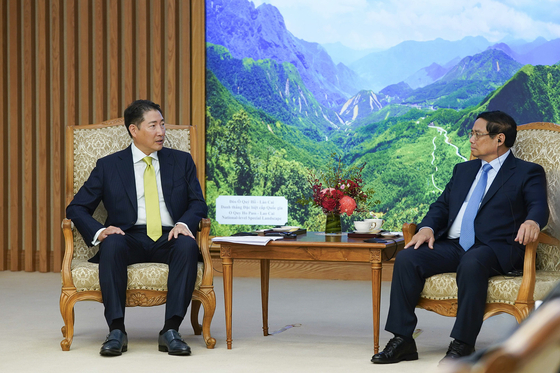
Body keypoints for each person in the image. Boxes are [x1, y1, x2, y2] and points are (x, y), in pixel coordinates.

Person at [371, 111, 549, 365]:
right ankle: (403, 340)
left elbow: (539, 206)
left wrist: (532, 221)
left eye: (477, 134)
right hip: (454, 245)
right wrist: (427, 228)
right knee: (408, 258)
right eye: (471, 133)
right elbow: (441, 206)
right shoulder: (463, 170)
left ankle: (463, 344)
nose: (471, 139)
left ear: (499, 139)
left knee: (473, 260)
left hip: (495, 248)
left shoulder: (526, 172)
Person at [66, 100, 207, 357]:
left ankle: (171, 330)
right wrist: (100, 231)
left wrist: (183, 224)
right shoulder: (109, 166)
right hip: (127, 236)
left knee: (187, 244)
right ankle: (117, 330)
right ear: (133, 129)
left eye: (162, 124)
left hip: (169, 235)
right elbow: (75, 208)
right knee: (111, 244)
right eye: (153, 125)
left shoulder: (181, 161)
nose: (161, 131)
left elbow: (198, 202)